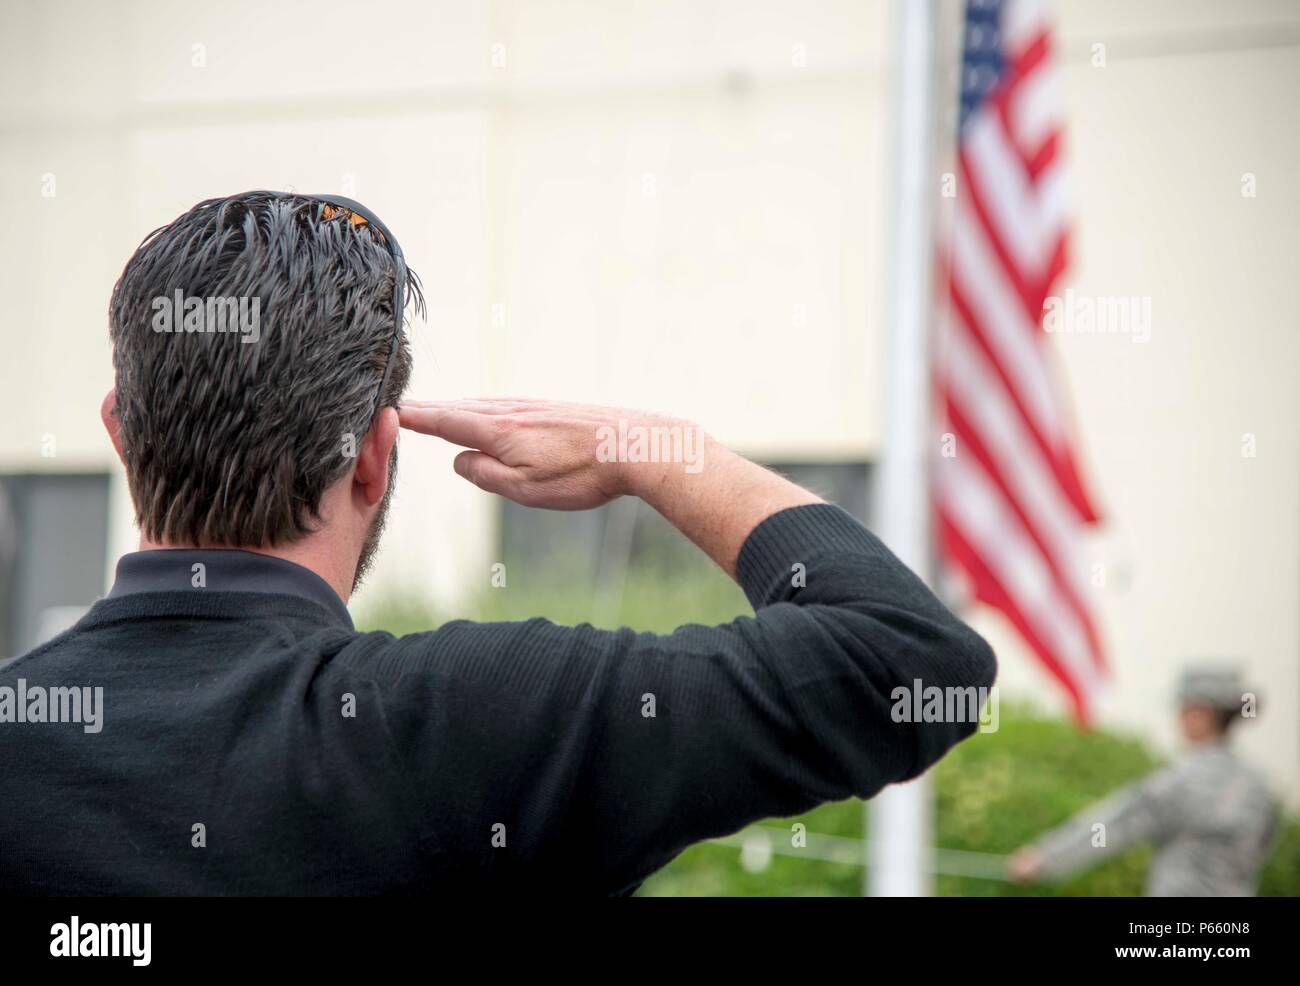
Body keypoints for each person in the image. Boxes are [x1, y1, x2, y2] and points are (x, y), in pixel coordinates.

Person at [0, 190, 995, 895]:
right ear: (374, 459)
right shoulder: (470, 718)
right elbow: (905, 657)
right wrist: (647, 447)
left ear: (119, 430)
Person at [1007, 668, 1278, 896]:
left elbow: (1116, 826)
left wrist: (1045, 859)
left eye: (1182, 709)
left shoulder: (1182, 780)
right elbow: (1263, 847)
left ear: (1201, 714)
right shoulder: (1259, 788)